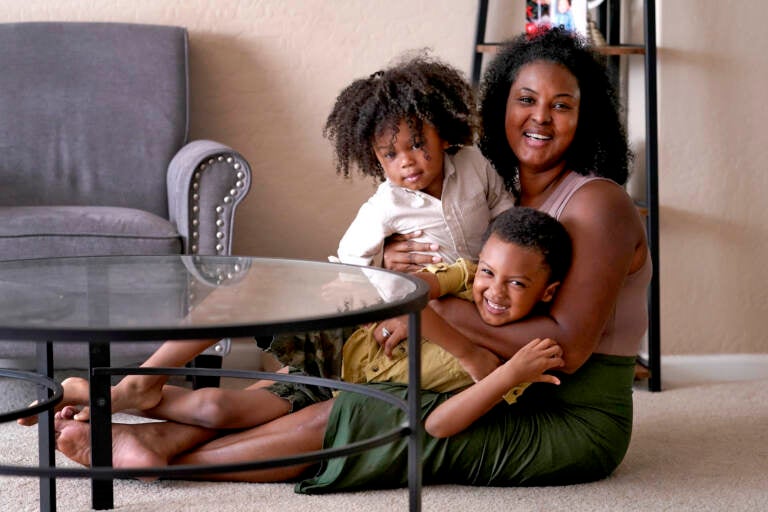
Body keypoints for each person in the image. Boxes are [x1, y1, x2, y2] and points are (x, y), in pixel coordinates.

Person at [52, 28, 650, 491]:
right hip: (464, 353)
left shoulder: (597, 203)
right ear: (500, 106)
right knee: (289, 341)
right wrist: (389, 272)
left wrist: (409, 301)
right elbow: (451, 257)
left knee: (368, 410)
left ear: (586, 115)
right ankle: (144, 401)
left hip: (562, 412)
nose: (540, 118)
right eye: (526, 99)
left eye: (562, 105)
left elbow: (562, 347)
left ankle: (164, 462)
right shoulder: (501, 185)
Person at [342, 206, 571, 396]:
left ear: (548, 292)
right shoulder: (466, 276)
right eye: (488, 272)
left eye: (517, 283)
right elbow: (402, 292)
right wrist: (468, 353)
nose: (496, 292)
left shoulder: (522, 356)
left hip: (379, 395)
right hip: (352, 358)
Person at [325, 53, 515, 267]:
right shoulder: (386, 205)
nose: (406, 161)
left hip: (486, 279)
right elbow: (350, 254)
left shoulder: (474, 163)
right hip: (430, 294)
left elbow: (501, 204)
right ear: (375, 158)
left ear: (443, 135)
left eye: (416, 145)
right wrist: (380, 267)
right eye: (390, 154)